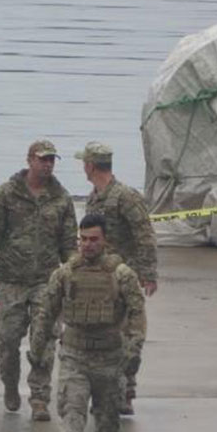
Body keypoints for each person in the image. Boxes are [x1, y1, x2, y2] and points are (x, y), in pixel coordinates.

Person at [29, 214, 146, 432]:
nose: (87, 245)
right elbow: (46, 311)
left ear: (104, 240)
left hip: (109, 358)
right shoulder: (65, 273)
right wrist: (37, 345)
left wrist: (133, 351)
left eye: (93, 239)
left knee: (107, 422)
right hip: (74, 355)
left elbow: (136, 313)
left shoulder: (122, 275)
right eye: (83, 239)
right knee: (72, 414)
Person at [0, 139, 78, 422]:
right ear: (29, 160)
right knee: (8, 340)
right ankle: (10, 384)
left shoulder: (61, 198)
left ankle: (39, 397)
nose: (47, 165)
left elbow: (69, 242)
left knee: (44, 340)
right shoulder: (7, 194)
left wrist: (72, 274)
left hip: (46, 279)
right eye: (43, 159)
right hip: (12, 279)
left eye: (52, 160)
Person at [76, 141, 157, 416]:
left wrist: (147, 274)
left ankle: (126, 393)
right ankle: (109, 389)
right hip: (98, 281)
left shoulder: (125, 196)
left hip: (125, 277)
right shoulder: (93, 198)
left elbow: (144, 234)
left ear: (90, 165)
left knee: (128, 337)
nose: (83, 169)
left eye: (84, 164)